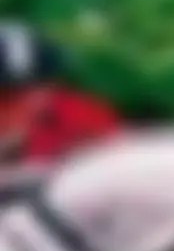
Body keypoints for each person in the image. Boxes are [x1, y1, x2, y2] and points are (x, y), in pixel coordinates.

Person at [0, 20, 123, 165]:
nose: (21, 101)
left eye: (29, 89)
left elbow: (120, 163)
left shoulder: (83, 116)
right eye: (6, 93)